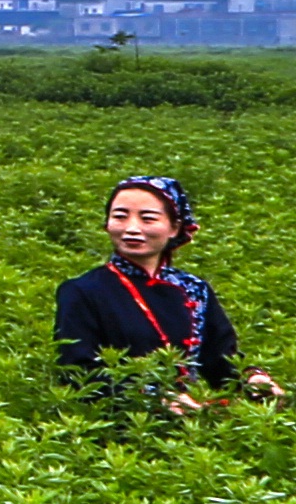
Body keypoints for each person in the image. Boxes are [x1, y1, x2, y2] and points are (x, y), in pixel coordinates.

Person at [63, 174, 276, 418]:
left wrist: (253, 378)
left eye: (148, 219)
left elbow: (220, 358)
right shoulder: (83, 291)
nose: (132, 228)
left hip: (192, 425)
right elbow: (77, 371)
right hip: (119, 425)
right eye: (120, 216)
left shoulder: (194, 288)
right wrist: (156, 396)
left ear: (174, 227)